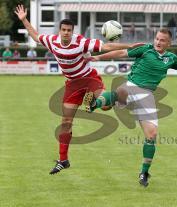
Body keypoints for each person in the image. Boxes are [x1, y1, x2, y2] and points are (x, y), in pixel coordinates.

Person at [15, 4, 143, 175]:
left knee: (105, 106)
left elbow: (105, 46)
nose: (66, 32)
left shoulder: (81, 42)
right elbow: (36, 36)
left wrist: (131, 46)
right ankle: (63, 160)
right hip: (72, 85)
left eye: (69, 30)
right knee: (66, 123)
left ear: (73, 31)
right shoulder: (52, 41)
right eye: (64, 30)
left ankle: (115, 97)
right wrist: (24, 19)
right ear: (59, 31)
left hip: (89, 79)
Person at [83, 28, 177, 187]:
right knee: (122, 91)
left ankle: (144, 172)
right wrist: (98, 57)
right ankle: (94, 103)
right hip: (132, 86)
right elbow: (121, 53)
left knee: (152, 135)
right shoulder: (146, 49)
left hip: (147, 96)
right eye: (157, 39)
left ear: (169, 43)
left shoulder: (171, 58)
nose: (158, 42)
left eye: (162, 40)